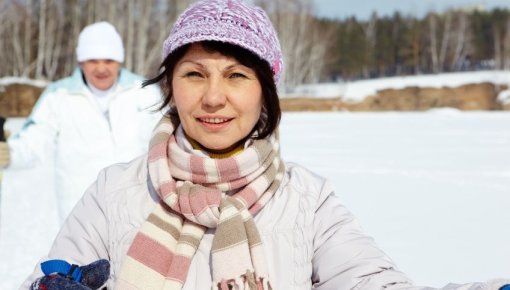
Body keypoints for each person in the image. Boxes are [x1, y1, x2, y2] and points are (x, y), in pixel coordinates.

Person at [21, 1, 510, 290]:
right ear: (170, 86)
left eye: (236, 75)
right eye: (194, 74)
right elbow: (49, 276)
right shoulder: (115, 190)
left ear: (266, 93)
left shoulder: (307, 200)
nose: (213, 96)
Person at [0, 21, 161, 222]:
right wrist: (10, 153)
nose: (101, 68)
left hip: (137, 204)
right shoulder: (59, 95)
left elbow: (165, 138)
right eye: (93, 60)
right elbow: (35, 139)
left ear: (119, 60)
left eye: (109, 60)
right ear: (81, 62)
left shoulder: (144, 91)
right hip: (81, 209)